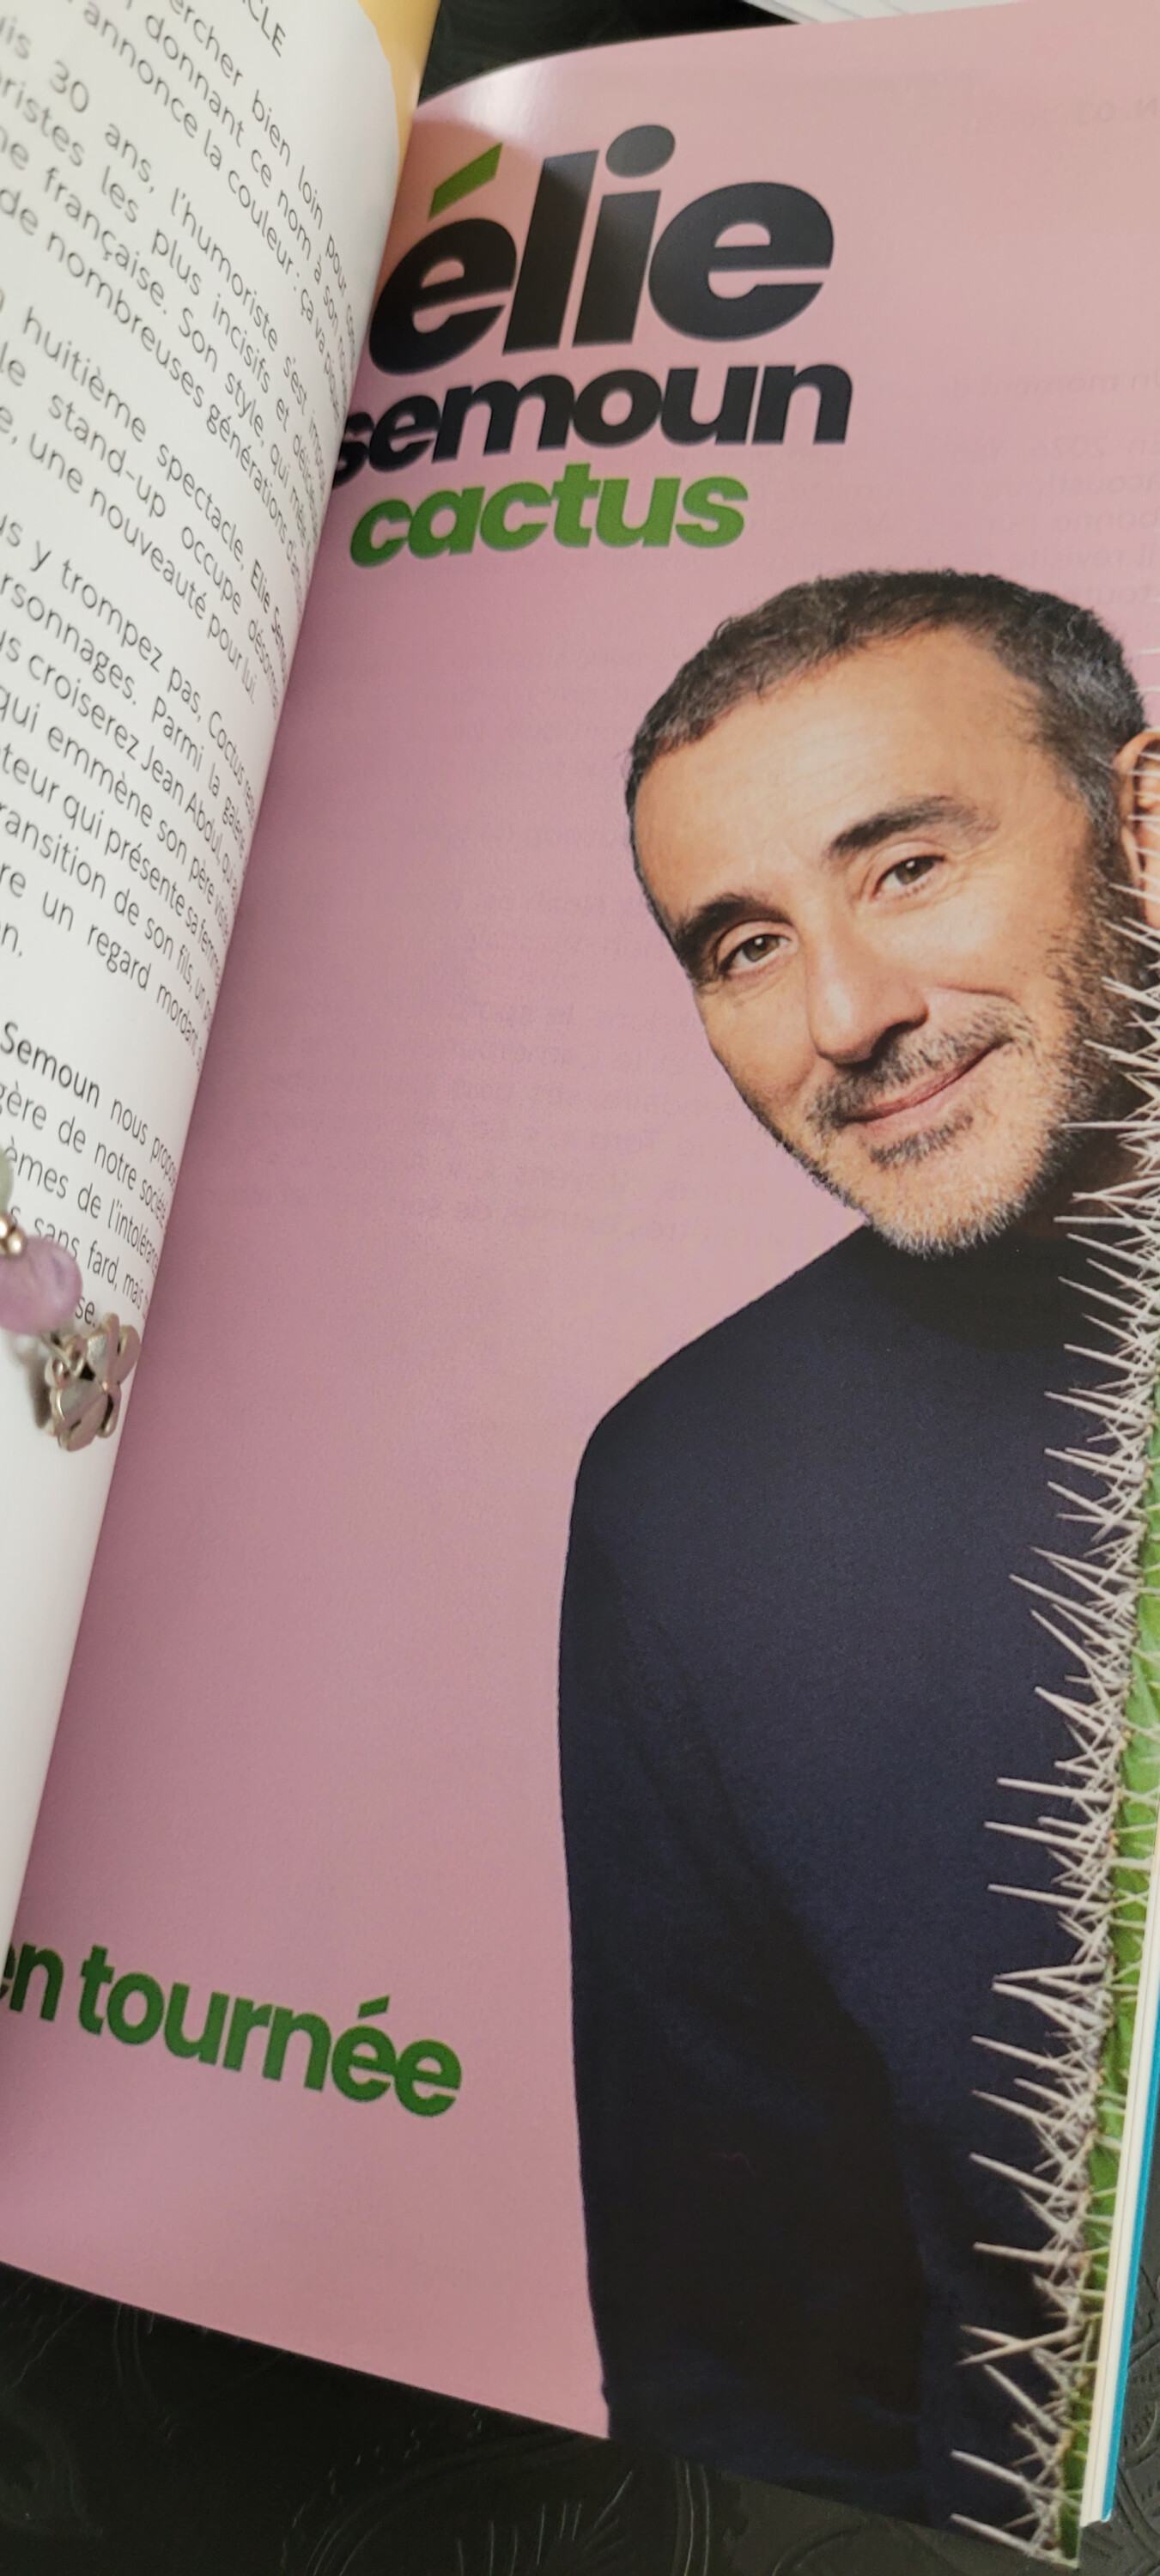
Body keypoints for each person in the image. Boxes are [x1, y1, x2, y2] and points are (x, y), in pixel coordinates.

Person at [557, 571, 1159, 2534]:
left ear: (1141, 823)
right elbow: (740, 2357)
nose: (848, 1018)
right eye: (745, 944)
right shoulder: (691, 1491)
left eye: (904, 867)